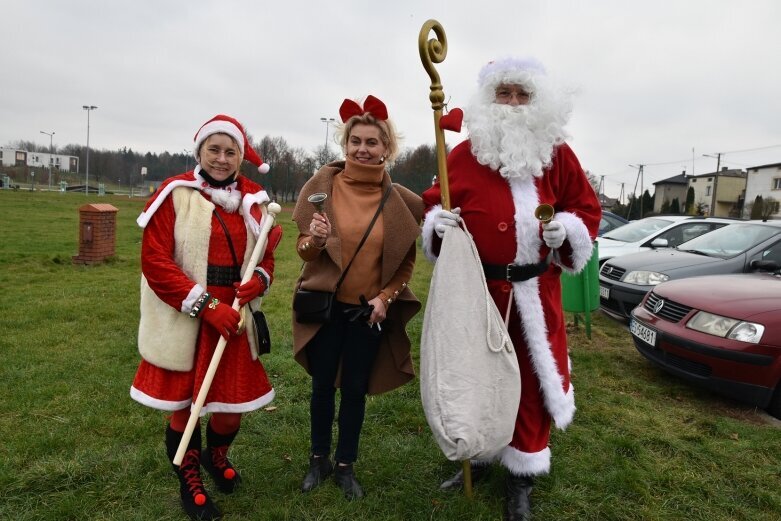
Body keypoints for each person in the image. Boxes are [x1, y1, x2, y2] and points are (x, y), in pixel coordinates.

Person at [422, 58, 601, 520]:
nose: (514, 103)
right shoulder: (461, 154)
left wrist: (566, 228)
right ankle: (479, 453)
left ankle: (521, 475)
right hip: (478, 290)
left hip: (534, 294)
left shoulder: (557, 154)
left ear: (538, 101)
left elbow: (585, 207)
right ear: (489, 100)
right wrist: (436, 225)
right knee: (477, 376)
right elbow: (435, 204)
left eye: (523, 95)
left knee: (530, 381)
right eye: (505, 94)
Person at [130, 114, 282, 521]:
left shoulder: (255, 201)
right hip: (192, 315)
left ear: (240, 157)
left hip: (234, 316)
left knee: (230, 407)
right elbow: (155, 261)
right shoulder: (175, 193)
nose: (221, 158)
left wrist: (261, 279)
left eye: (230, 151)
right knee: (186, 403)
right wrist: (204, 306)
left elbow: (266, 253)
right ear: (199, 151)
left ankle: (217, 456)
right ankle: (188, 473)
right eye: (214, 149)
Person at [291, 95, 423, 499]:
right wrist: (313, 240)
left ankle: (345, 464)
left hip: (367, 313)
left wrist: (386, 297)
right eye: (356, 141)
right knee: (320, 389)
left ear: (387, 148)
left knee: (353, 390)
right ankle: (318, 460)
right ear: (345, 145)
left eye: (373, 142)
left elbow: (403, 265)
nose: (363, 149)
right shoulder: (322, 189)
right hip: (326, 307)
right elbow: (303, 252)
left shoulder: (399, 202)